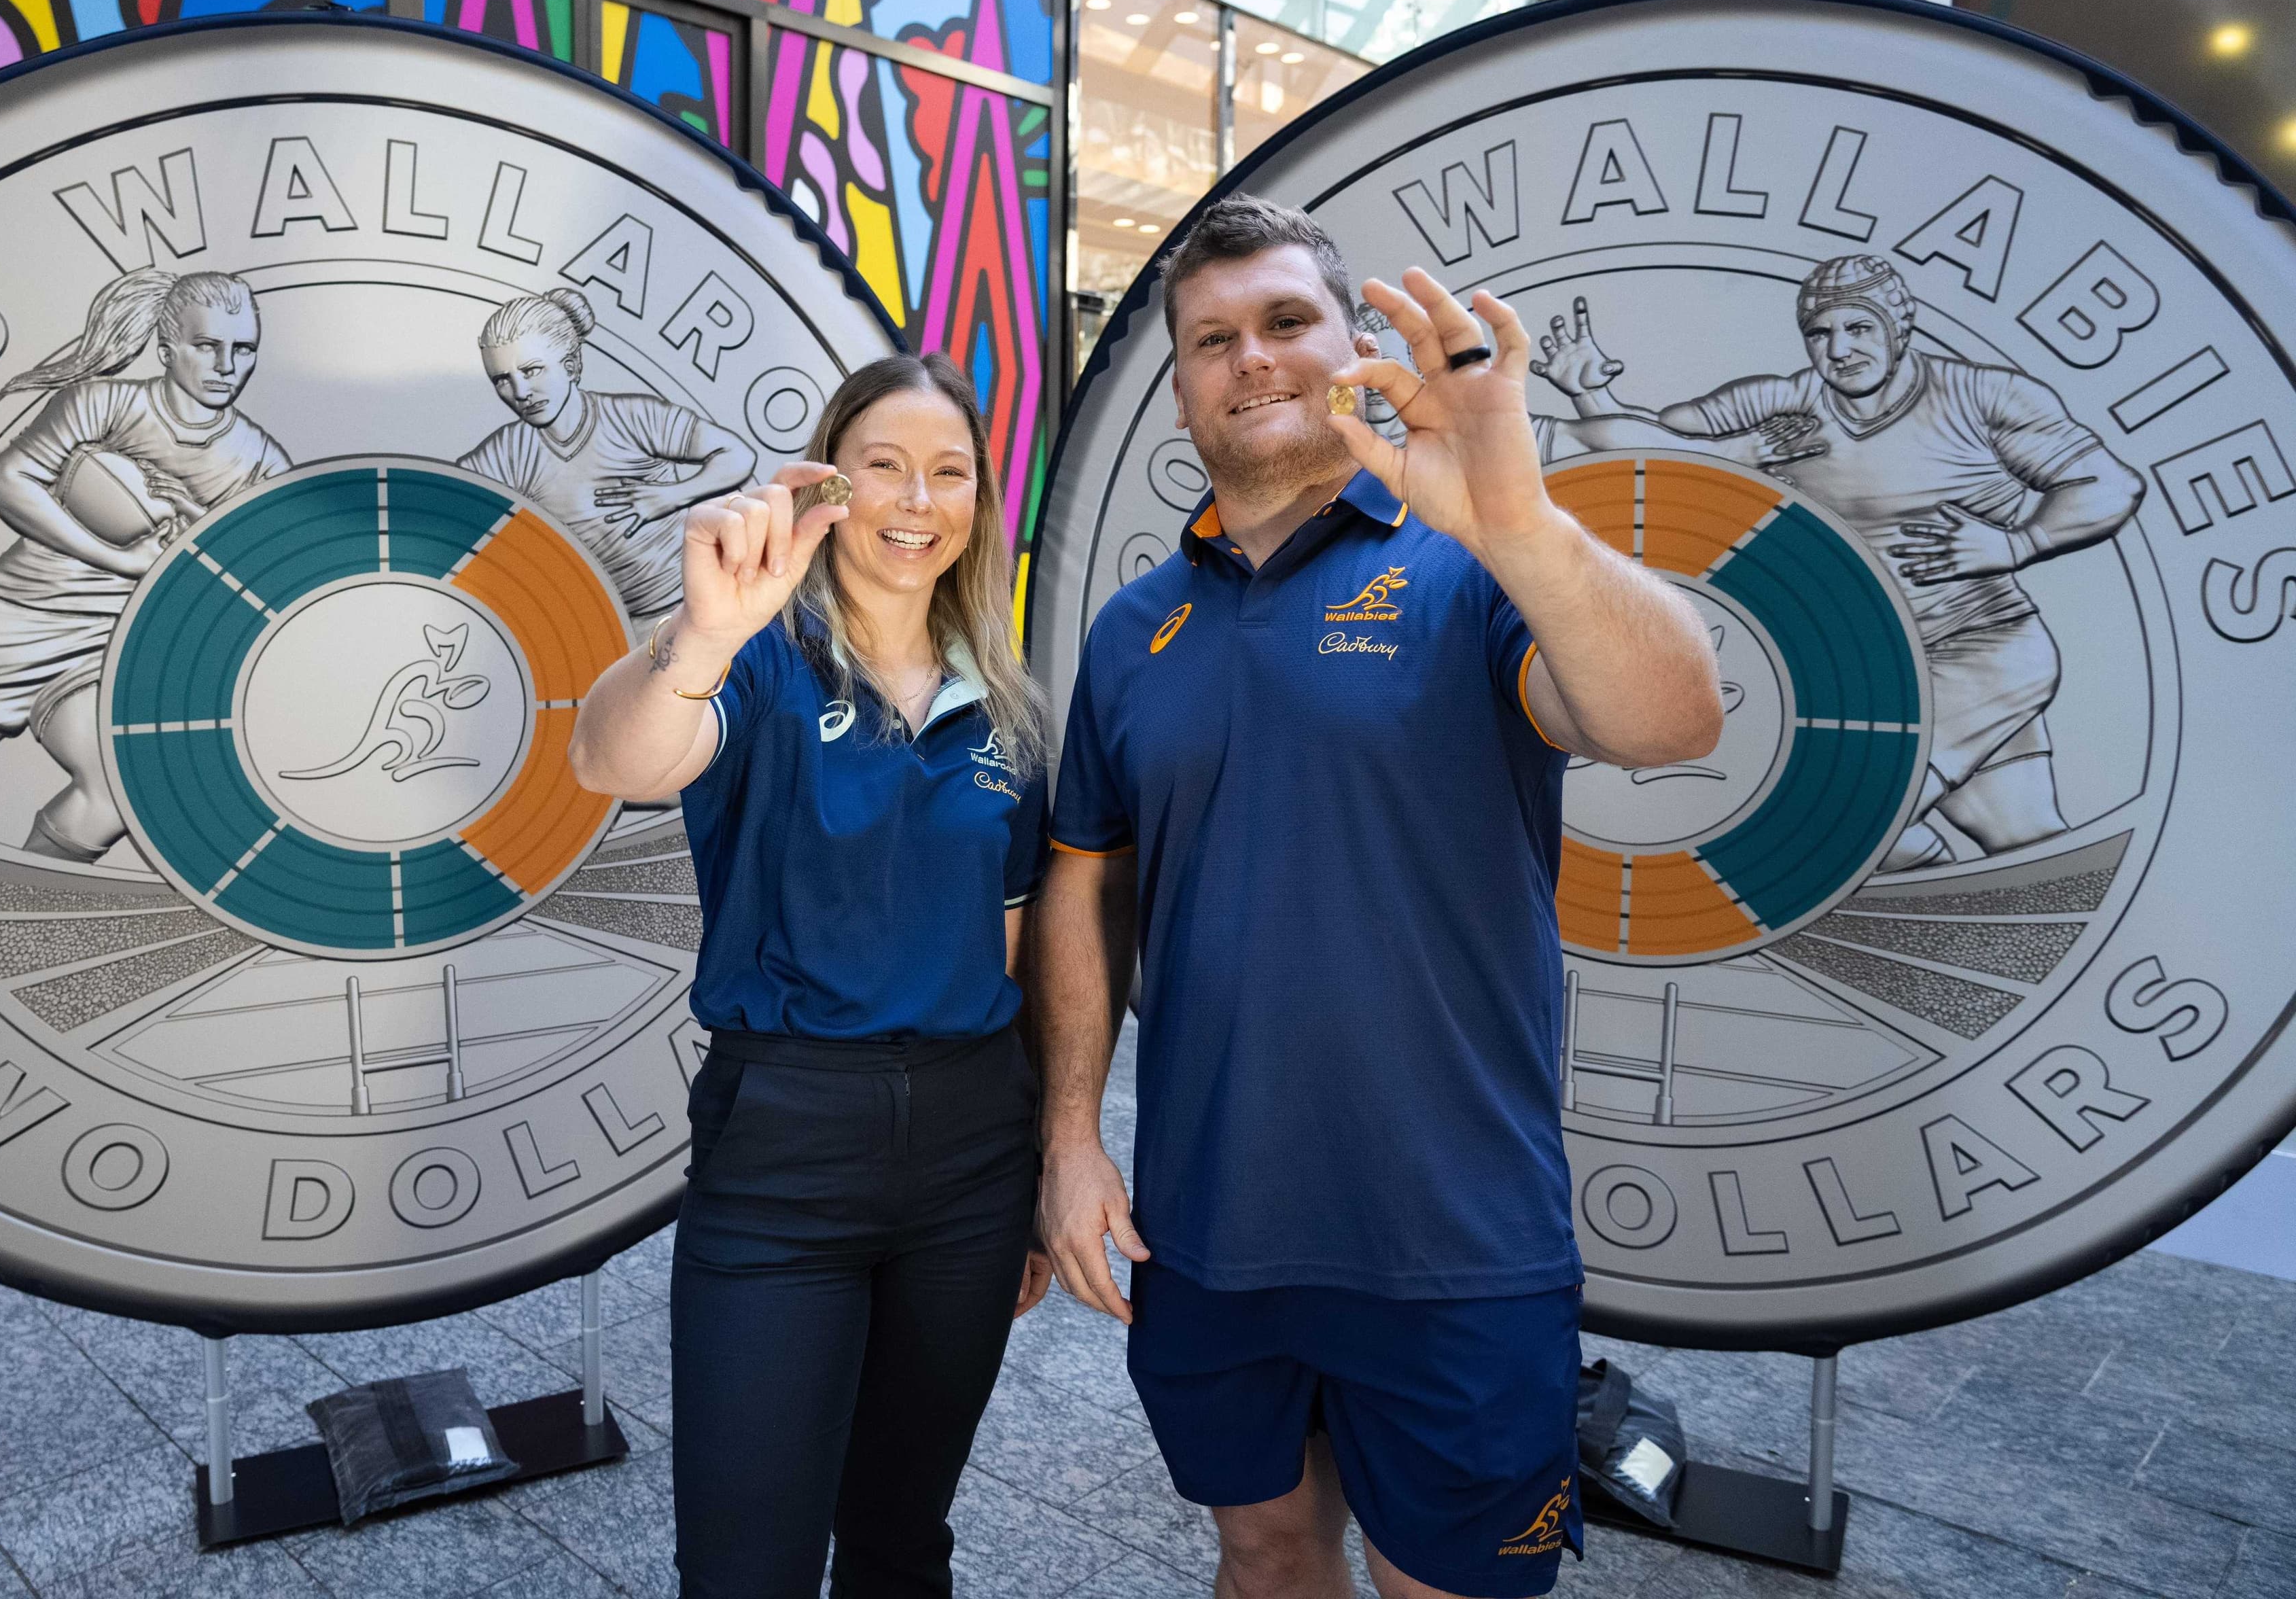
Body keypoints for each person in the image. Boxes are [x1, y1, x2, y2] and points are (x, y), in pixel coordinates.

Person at [1035, 195, 1724, 1599]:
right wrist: (1069, 1134)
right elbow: (1085, 880)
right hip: (1208, 1229)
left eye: (1286, 319)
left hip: (1454, 1239)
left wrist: (1518, 519)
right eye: (1212, 339)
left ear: (1352, 344)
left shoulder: (1473, 567)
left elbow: (1674, 718)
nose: (1252, 357)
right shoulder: (1132, 631)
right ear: (1182, 393)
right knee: (1263, 1554)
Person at [568, 352, 1054, 1597]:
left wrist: (1041, 1171)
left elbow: (1012, 955)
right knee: (748, 1567)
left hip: (971, 1160)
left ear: (981, 500)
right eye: (883, 465)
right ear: (828, 489)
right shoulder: (761, 660)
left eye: (950, 472)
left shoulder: (1006, 710)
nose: (918, 499)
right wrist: (701, 635)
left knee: (903, 1542)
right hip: (786, 1148)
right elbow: (613, 760)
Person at [1529, 258, 2145, 868]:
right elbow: (1665, 448)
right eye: (1820, 333)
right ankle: (1962, 913)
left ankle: (1931, 899)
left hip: (1979, 651)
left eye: (1860, 327)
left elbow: (2109, 485)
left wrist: (2017, 544)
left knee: (1839, 822)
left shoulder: (1984, 397)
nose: (1840, 349)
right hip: (1859, 671)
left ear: (1900, 328)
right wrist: (1592, 394)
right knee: (2024, 839)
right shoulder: (1783, 404)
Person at [0, 268, 287, 860]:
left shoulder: (262, 461)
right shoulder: (104, 402)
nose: (227, 366)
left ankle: (19, 907)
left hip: (110, 649)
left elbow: (255, 584)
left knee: (123, 786)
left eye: (244, 349)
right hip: (4, 621)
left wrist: (192, 526)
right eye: (207, 345)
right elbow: (4, 477)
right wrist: (120, 559)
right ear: (167, 348)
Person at [459, 286, 759, 621]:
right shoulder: (505, 453)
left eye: (531, 371)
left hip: (695, 607)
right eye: (502, 380)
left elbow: (736, 454)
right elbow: (442, 505)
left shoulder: (632, 416)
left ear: (571, 367)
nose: (520, 392)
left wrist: (670, 496)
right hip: (607, 630)